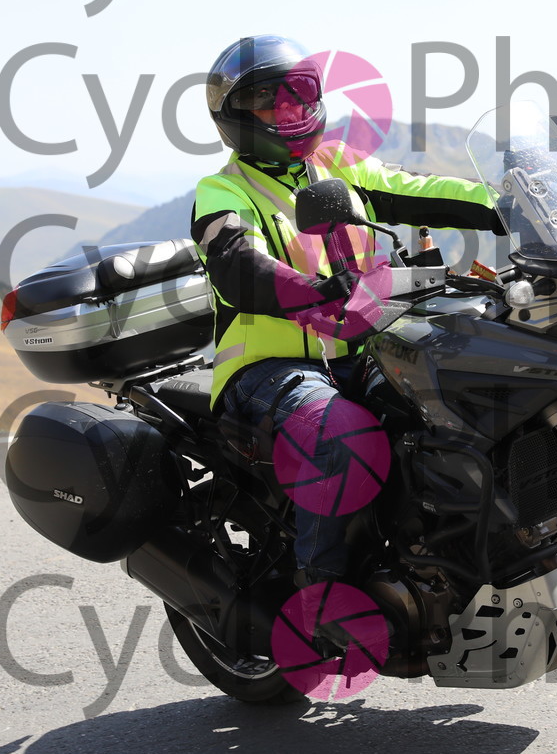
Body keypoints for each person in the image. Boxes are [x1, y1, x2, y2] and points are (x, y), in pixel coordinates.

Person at [190, 35, 506, 593]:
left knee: (467, 402)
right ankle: (321, 593)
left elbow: (421, 191)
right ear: (234, 115)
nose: (287, 109)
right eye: (266, 98)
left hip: (365, 352)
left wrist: (515, 205)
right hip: (269, 371)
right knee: (344, 436)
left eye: (298, 92)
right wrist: (315, 291)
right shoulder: (223, 191)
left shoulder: (337, 165)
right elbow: (238, 264)